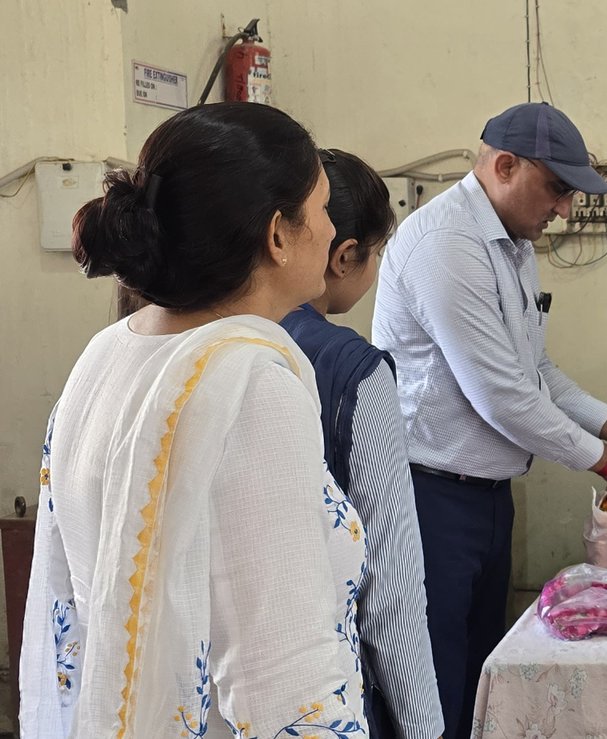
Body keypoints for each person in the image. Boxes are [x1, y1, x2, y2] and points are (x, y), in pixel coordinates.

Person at [19, 102, 369, 737]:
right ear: (278, 235)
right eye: (321, 207)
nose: (329, 228)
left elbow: (72, 617)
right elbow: (285, 680)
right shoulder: (250, 383)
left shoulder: (107, 353)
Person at [372, 101, 607, 738]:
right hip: (430, 500)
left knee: (480, 678)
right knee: (432, 689)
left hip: (487, 498)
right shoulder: (446, 245)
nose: (565, 209)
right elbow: (502, 396)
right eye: (557, 189)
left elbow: (534, 371)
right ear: (505, 167)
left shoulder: (512, 246)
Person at [280, 149, 445, 739]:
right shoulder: (353, 370)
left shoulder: (165, 341)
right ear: (343, 254)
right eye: (377, 254)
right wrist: (425, 728)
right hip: (317, 689)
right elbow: (390, 594)